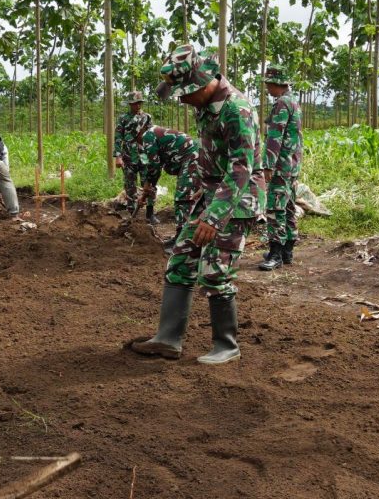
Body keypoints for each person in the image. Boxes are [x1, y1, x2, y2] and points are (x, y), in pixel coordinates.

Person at [127, 44, 265, 365]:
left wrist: (214, 218)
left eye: (184, 92)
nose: (181, 99)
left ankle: (226, 345)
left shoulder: (236, 110)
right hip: (213, 198)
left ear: (202, 86)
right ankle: (168, 339)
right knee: (181, 259)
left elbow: (241, 169)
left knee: (214, 271)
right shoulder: (206, 106)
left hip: (236, 201)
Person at [123, 116, 201, 240]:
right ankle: (189, 236)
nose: (137, 142)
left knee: (183, 198)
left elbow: (154, 166)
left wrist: (148, 185)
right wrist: (149, 186)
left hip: (192, 157)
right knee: (192, 197)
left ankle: (182, 239)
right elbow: (156, 166)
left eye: (135, 138)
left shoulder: (147, 136)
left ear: (138, 131)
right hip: (192, 157)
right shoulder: (152, 132)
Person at [258, 65, 304, 271]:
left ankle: (276, 254)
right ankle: (287, 252)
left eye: (268, 84)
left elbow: (275, 137)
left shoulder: (282, 104)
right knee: (288, 206)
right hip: (292, 165)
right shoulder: (293, 101)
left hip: (280, 165)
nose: (267, 88)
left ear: (277, 83)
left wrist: (268, 165)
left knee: (276, 207)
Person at [113, 91, 152, 214]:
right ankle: (132, 212)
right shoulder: (123, 119)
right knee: (130, 185)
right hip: (129, 156)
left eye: (139, 103)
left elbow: (151, 137)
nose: (138, 106)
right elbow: (118, 137)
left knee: (149, 183)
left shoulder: (147, 117)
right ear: (130, 104)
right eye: (135, 103)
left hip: (144, 155)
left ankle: (150, 212)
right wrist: (118, 156)